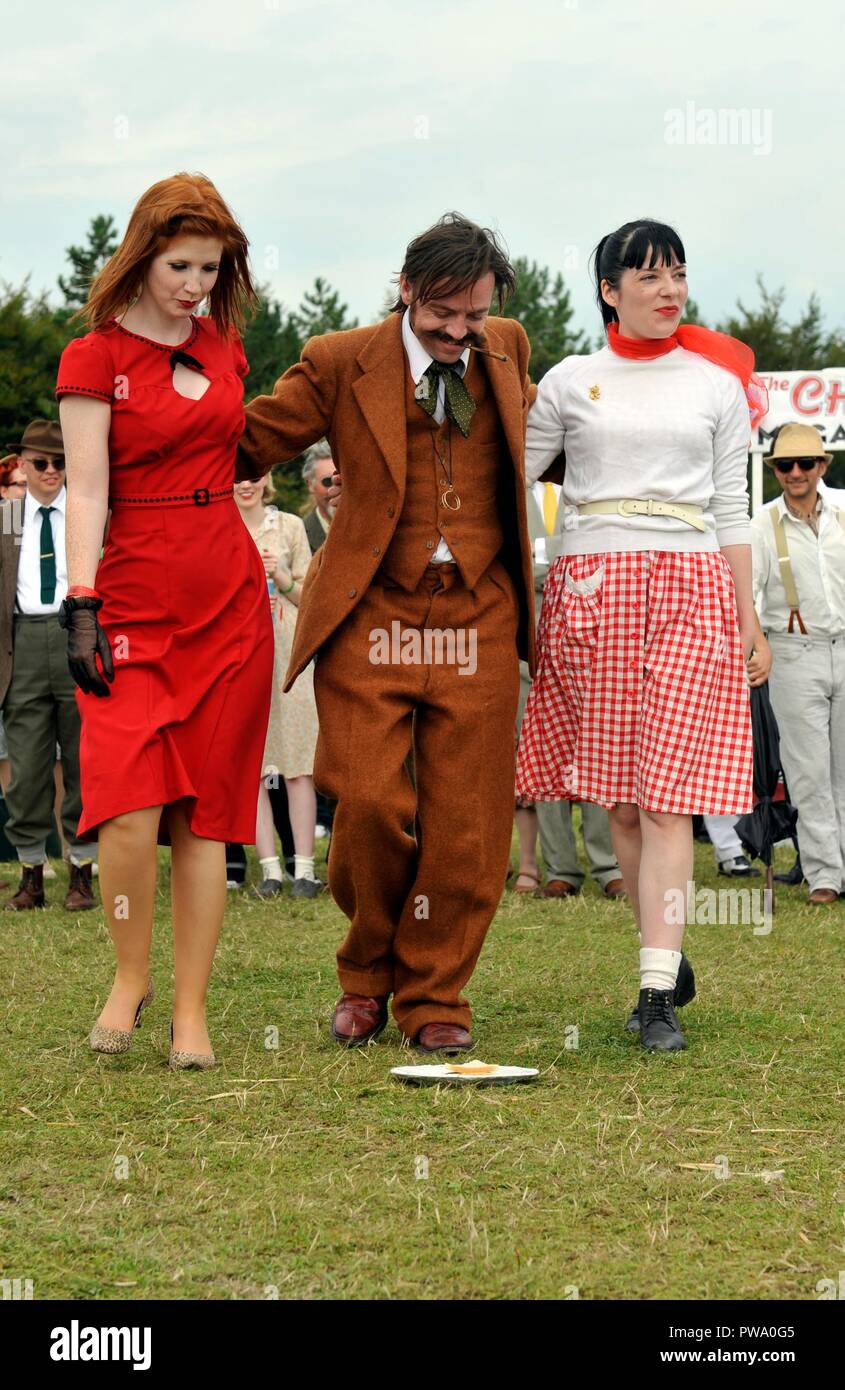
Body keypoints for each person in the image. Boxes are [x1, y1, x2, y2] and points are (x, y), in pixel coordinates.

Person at [237, 212, 537, 1055]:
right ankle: (365, 968)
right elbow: (252, 439)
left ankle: (434, 993)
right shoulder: (340, 360)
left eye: (473, 316)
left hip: (478, 616)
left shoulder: (508, 348)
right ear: (407, 289)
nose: (458, 331)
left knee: (467, 826)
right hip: (373, 615)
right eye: (443, 314)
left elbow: (554, 442)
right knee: (367, 801)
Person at [517, 218, 771, 1053]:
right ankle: (662, 953)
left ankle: (653, 991)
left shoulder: (714, 384)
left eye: (678, 274)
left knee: (667, 802)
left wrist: (747, 619)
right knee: (620, 803)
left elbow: (733, 510)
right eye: (650, 276)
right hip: (592, 584)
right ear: (609, 289)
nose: (669, 290)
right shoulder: (566, 381)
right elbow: (508, 477)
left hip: (693, 583)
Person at [55, 172, 274, 1070]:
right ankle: (129, 975)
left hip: (227, 591)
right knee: (128, 811)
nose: (194, 284)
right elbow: (87, 490)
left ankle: (190, 1011)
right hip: (130, 594)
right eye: (179, 265)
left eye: (210, 269)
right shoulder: (92, 356)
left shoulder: (225, 347)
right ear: (142, 256)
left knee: (209, 817)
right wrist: (80, 602)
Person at [0, 420, 97, 909]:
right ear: (21, 465)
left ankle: (82, 869)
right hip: (22, 640)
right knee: (27, 766)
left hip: (73, 632)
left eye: (60, 462)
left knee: (84, 757)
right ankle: (31, 871)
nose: (51, 471)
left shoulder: (85, 512)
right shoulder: (9, 517)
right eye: (40, 462)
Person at [513, 478, 624, 899]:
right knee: (542, 742)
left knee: (595, 742)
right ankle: (560, 867)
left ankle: (607, 863)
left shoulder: (588, 481)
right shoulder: (511, 486)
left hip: (589, 610)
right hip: (529, 614)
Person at [751, 422, 845, 906]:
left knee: (842, 770)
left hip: (844, 645)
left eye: (805, 463)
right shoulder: (762, 525)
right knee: (808, 772)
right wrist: (756, 646)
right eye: (785, 465)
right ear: (775, 471)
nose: (795, 473)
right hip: (794, 650)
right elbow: (745, 595)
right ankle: (825, 873)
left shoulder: (844, 510)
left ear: (822, 466)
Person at [234, 472, 323, 899]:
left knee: (298, 764)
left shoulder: (288, 525)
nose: (245, 485)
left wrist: (284, 578)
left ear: (267, 477)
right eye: (236, 478)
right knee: (252, 767)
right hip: (237, 659)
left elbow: (314, 600)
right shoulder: (218, 524)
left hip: (290, 660)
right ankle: (269, 870)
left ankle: (304, 869)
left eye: (253, 475)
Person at [301, 440, 337, 554]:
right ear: (310, 484)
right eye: (328, 481)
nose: (335, 489)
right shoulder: (298, 536)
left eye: (343, 480)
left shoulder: (368, 529)